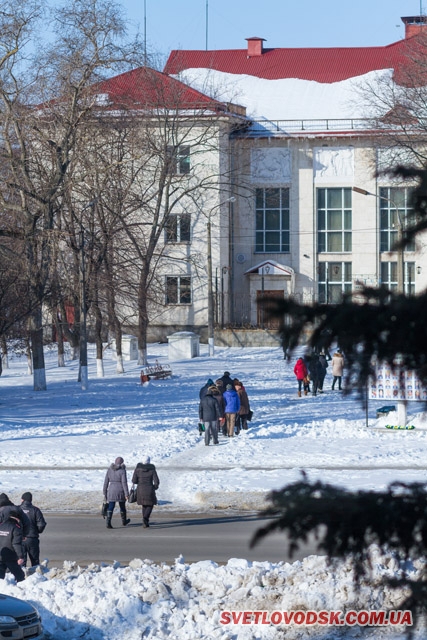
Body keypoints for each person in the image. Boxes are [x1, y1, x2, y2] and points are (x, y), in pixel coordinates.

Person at [131, 456, 159, 528]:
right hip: (149, 489)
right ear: (149, 461)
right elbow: (156, 481)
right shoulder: (152, 470)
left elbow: (134, 480)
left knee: (144, 504)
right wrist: (155, 487)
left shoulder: (137, 469)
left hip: (140, 489)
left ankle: (145, 520)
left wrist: (139, 482)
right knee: (150, 504)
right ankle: (145, 519)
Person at [20, 492, 46, 567]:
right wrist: (37, 531)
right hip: (32, 538)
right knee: (35, 561)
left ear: (22, 500)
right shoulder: (35, 510)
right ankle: (35, 577)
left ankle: (21, 578)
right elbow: (41, 524)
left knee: (21, 561)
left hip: (20, 539)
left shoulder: (18, 509)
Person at [103, 456, 130, 529]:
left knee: (111, 506)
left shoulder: (109, 470)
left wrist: (105, 492)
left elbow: (106, 482)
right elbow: (124, 483)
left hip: (111, 490)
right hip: (120, 491)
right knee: (122, 506)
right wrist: (127, 494)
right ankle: (124, 521)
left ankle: (108, 522)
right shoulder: (122, 470)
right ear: (122, 463)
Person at [0, 510, 25, 583]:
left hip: (1, 554)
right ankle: (21, 590)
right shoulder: (16, 528)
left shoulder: (1, 525)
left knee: (0, 576)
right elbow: (16, 544)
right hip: (11, 557)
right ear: (17, 518)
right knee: (20, 576)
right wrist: (20, 556)